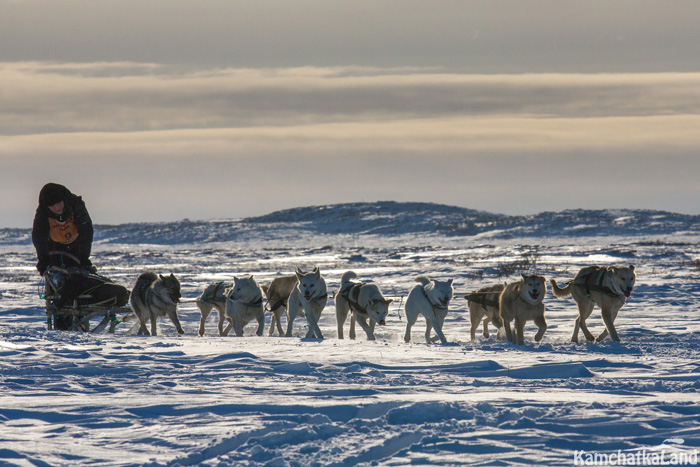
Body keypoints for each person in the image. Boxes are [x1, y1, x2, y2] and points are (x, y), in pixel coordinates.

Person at [32, 183, 129, 330]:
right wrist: (43, 260)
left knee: (79, 277)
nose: (57, 208)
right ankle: (62, 321)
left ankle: (80, 319)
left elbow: (86, 231)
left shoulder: (75, 205)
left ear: (64, 200)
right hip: (54, 250)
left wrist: (84, 258)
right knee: (59, 283)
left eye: (59, 203)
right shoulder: (42, 213)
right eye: (53, 206)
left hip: (76, 249)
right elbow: (38, 237)